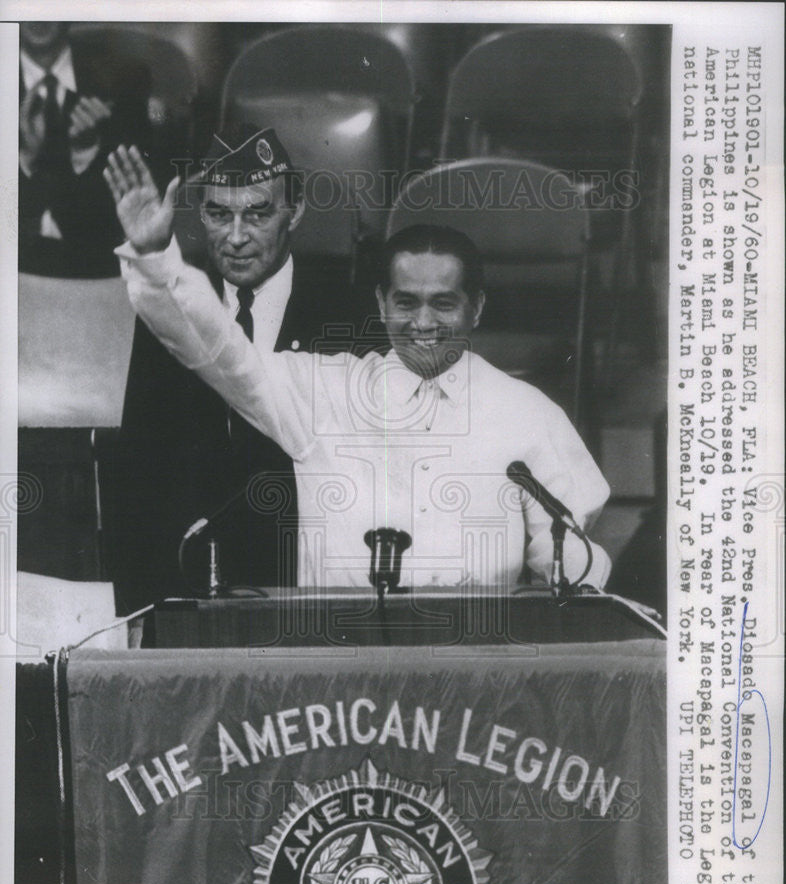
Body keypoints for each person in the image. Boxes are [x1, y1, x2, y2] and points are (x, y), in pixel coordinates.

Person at [106, 144, 611, 590]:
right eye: (406, 302)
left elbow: (571, 560)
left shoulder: (527, 413)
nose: (423, 323)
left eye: (444, 303)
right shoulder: (323, 388)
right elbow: (217, 349)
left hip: (474, 666)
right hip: (331, 663)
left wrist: (568, 586)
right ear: (380, 302)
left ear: (477, 308)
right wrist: (156, 257)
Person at [111, 124, 366, 613]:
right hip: (192, 593)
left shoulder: (348, 317)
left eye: (258, 213)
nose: (235, 237)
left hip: (308, 595)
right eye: (217, 214)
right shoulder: (168, 315)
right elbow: (140, 477)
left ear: (296, 211)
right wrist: (139, 613)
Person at [18, 21, 151, 277]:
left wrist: (86, 152)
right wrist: (26, 158)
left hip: (96, 273)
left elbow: (130, 216)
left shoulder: (124, 78)